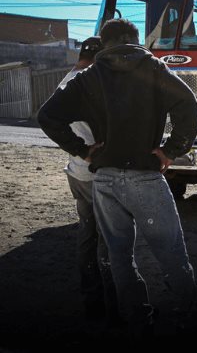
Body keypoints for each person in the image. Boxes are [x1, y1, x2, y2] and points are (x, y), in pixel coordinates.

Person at [38, 19, 197, 339]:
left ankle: (139, 320)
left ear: (105, 42)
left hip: (105, 180)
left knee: (119, 257)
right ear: (136, 39)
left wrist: (83, 151)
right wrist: (170, 151)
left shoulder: (89, 77)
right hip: (145, 177)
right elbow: (188, 105)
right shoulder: (154, 68)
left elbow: (47, 116)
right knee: (171, 253)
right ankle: (190, 319)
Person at [54, 36, 118, 322]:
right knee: (108, 240)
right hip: (96, 173)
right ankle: (110, 302)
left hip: (76, 171)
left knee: (87, 234)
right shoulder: (90, 84)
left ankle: (91, 299)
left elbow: (51, 121)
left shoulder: (65, 82)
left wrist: (77, 151)